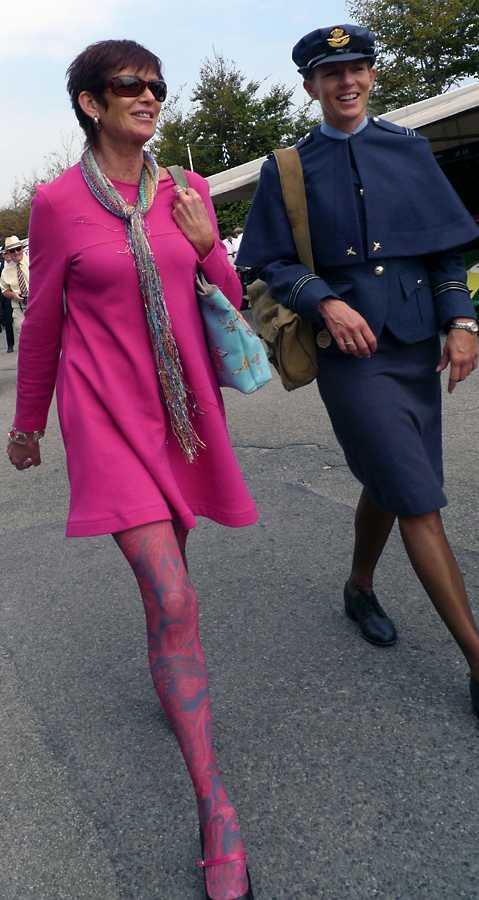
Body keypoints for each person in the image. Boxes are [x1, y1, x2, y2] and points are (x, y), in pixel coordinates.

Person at [7, 39, 255, 900]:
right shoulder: (56, 202)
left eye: (156, 85)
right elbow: (40, 322)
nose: (148, 97)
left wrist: (204, 240)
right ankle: (215, 811)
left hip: (184, 419)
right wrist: (26, 421)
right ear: (89, 103)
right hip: (105, 417)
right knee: (175, 596)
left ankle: (168, 668)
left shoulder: (185, 191)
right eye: (128, 86)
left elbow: (221, 293)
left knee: (169, 595)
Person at [237, 23, 479, 719]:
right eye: (329, 72)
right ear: (309, 85)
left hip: (411, 345)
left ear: (372, 75)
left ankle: (358, 587)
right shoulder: (286, 167)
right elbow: (269, 264)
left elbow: (441, 253)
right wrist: (324, 303)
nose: (346, 82)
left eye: (357, 69)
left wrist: (461, 322)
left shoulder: (406, 151)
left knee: (391, 479)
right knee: (415, 495)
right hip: (349, 356)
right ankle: (473, 655)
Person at [0, 235, 28, 343]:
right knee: (25, 341)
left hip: (39, 306)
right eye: (12, 250)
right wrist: (13, 295)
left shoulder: (33, 261)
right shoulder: (5, 271)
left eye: (18, 249)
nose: (16, 252)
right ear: (8, 253)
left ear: (22, 248)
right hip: (19, 310)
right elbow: (4, 290)